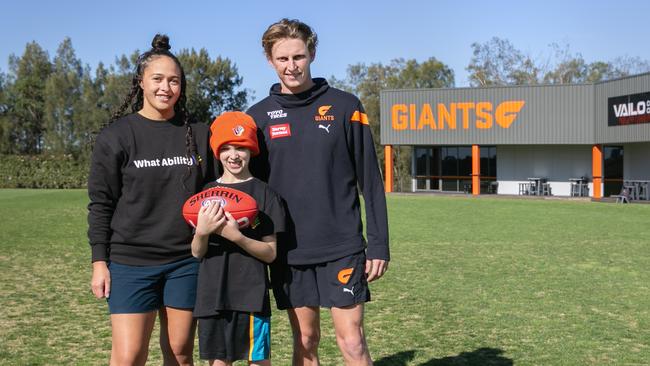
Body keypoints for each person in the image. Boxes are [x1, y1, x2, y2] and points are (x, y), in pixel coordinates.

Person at [247, 19, 390, 366]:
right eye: (282, 59)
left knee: (352, 341)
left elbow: (370, 180)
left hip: (343, 247)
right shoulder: (258, 117)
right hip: (289, 252)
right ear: (269, 60)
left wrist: (380, 243)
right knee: (306, 341)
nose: (291, 66)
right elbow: (252, 189)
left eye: (298, 56)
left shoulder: (345, 106)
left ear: (312, 54)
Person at [87, 34, 215, 366]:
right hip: (131, 262)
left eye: (174, 80)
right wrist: (99, 261)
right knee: (129, 356)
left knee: (181, 354)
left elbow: (218, 191)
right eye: (157, 79)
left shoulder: (200, 134)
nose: (165, 87)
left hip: (186, 261)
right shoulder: (116, 136)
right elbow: (101, 204)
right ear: (141, 82)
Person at [191, 111, 285, 366]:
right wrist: (202, 231)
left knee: (258, 363)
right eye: (227, 148)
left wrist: (236, 237)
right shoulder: (206, 193)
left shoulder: (265, 194)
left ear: (251, 150)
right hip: (212, 296)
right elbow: (197, 252)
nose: (234, 155)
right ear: (217, 151)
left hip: (251, 296)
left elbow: (271, 253)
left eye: (241, 148)